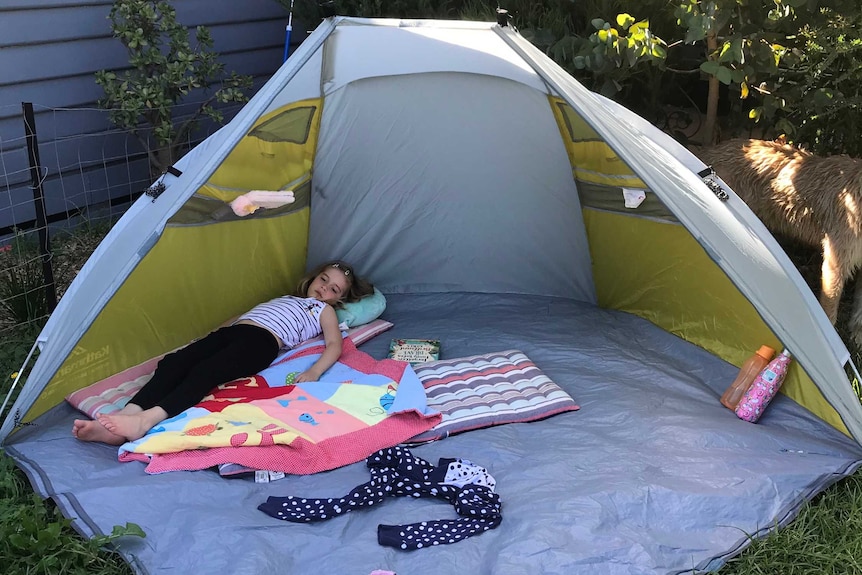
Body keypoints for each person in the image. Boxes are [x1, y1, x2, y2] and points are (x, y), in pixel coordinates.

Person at [72, 260, 374, 446]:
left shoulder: (323, 312)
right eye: (324, 279)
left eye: (334, 290)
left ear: (339, 300)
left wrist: (314, 371)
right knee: (174, 362)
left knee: (207, 372)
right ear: (315, 276)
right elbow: (243, 319)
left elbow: (334, 344)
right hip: (234, 332)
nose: (325, 290)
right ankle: (127, 415)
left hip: (263, 342)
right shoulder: (285, 298)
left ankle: (146, 420)